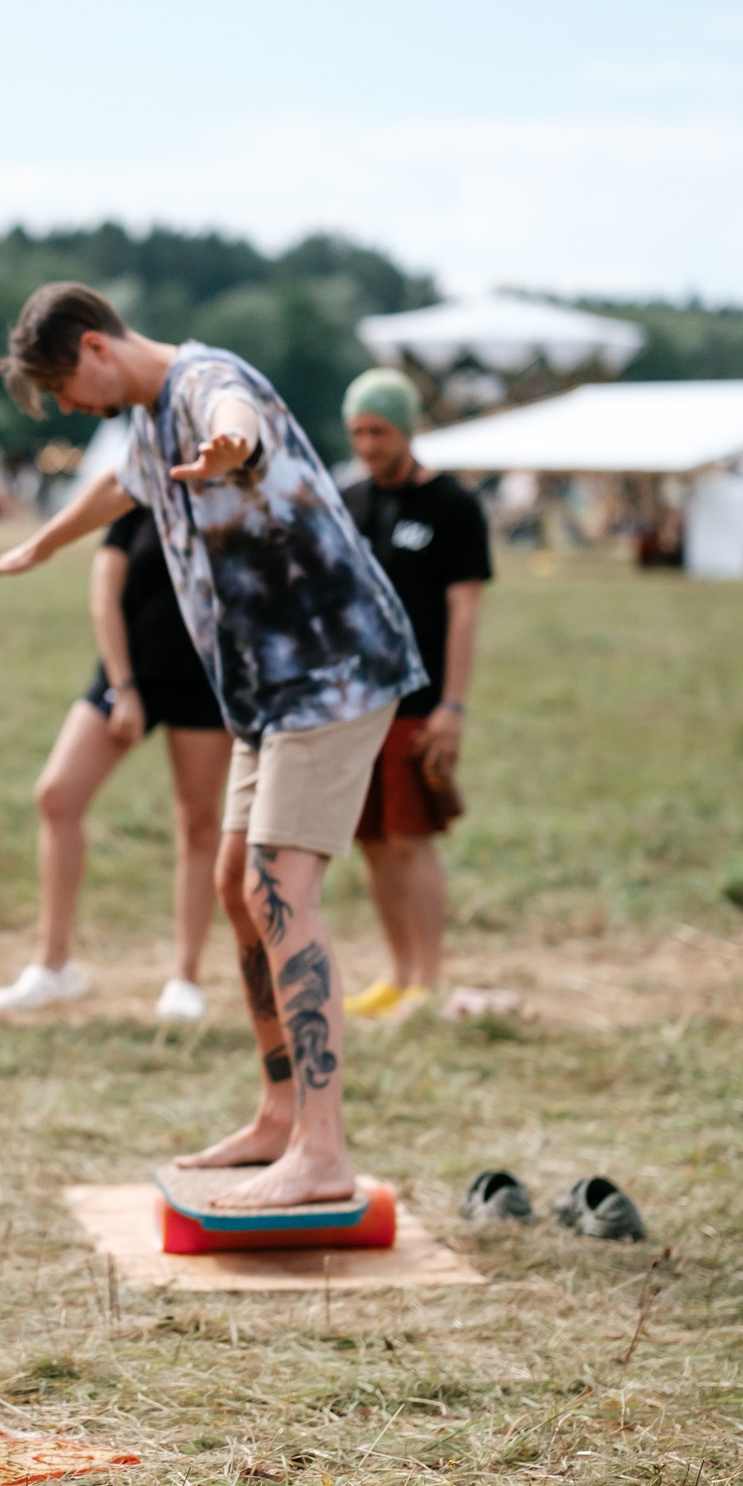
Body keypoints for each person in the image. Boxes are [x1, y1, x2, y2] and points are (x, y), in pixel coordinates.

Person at [0, 284, 424, 1210]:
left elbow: (239, 417)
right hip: (267, 696)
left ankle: (323, 1147)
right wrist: (44, 544)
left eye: (66, 388)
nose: (70, 408)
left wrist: (233, 446)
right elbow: (119, 486)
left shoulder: (209, 382)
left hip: (331, 674)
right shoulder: (147, 420)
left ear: (96, 346)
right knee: (236, 883)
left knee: (278, 886)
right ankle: (278, 1115)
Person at [0, 448, 233, 1023]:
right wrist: (123, 687)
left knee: (198, 820)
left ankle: (186, 976)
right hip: (130, 670)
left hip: (205, 680)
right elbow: (105, 594)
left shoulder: (234, 507)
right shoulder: (138, 497)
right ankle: (54, 965)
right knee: (57, 795)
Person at [336, 369, 492, 1021]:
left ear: (407, 429)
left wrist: (452, 705)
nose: (369, 444)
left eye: (380, 430)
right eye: (359, 432)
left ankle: (428, 977)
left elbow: (464, 612)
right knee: (372, 839)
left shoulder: (452, 506)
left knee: (410, 836)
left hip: (420, 699)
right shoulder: (350, 501)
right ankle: (397, 972)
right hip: (356, 705)